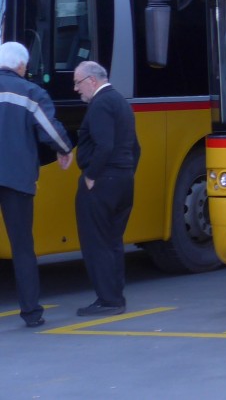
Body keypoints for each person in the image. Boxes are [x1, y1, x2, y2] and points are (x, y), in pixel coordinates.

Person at [0, 41, 72, 328]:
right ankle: (31, 312)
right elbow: (49, 130)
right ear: (21, 66)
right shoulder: (31, 93)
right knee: (22, 247)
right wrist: (64, 149)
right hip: (17, 179)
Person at [72, 60, 140, 317]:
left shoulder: (100, 105)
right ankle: (115, 296)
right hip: (123, 180)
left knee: (96, 242)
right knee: (113, 241)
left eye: (78, 83)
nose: (76, 89)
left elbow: (104, 146)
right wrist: (126, 172)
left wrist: (91, 175)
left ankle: (108, 300)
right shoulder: (121, 102)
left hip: (102, 182)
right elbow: (136, 148)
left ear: (91, 80)